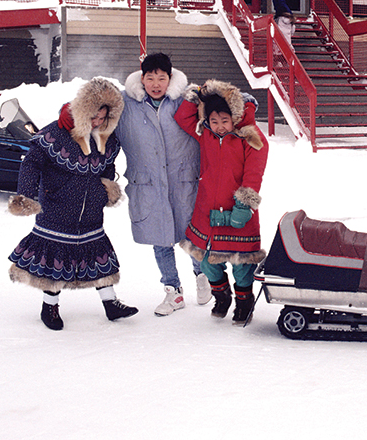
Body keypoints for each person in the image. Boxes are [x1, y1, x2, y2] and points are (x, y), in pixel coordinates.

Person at [8, 78, 138, 331]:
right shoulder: (53, 134)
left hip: (91, 212)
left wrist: (106, 190)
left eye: (102, 117)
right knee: (53, 260)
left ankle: (110, 304)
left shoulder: (105, 137)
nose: (97, 122)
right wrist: (26, 196)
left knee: (98, 255)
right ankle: (49, 307)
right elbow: (30, 164)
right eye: (93, 117)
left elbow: (107, 166)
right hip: (56, 209)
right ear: (82, 110)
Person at [113, 53, 209, 316]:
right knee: (161, 239)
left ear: (170, 78)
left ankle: (203, 276)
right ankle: (173, 291)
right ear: (141, 78)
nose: (156, 84)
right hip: (148, 184)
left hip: (183, 180)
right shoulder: (125, 103)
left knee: (193, 235)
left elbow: (219, 115)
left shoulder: (188, 100)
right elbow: (98, 123)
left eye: (161, 78)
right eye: (150, 78)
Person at [174, 79, 269, 325]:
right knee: (207, 260)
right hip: (207, 211)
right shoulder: (205, 134)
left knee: (241, 264)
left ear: (234, 118)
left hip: (238, 212)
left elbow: (254, 173)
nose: (219, 127)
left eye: (224, 120)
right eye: (213, 121)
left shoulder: (251, 138)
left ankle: (244, 302)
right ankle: (222, 296)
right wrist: (195, 95)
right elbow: (183, 119)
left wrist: (244, 204)